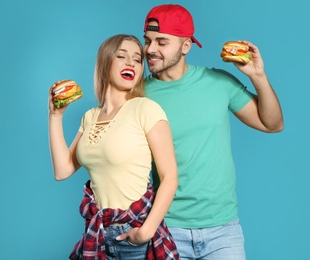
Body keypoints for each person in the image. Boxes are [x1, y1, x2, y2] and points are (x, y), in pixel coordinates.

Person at [118, 4, 284, 260]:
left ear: (186, 46)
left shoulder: (218, 82)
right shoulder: (137, 95)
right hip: (165, 227)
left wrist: (258, 76)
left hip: (223, 232)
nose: (150, 50)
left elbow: (272, 124)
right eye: (148, 40)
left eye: (162, 42)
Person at [48, 34, 180, 260]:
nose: (131, 63)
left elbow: (169, 177)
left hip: (134, 237)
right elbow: (63, 170)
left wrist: (145, 233)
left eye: (137, 60)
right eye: (121, 56)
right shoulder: (90, 117)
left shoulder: (145, 109)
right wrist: (55, 116)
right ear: (105, 62)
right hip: (98, 236)